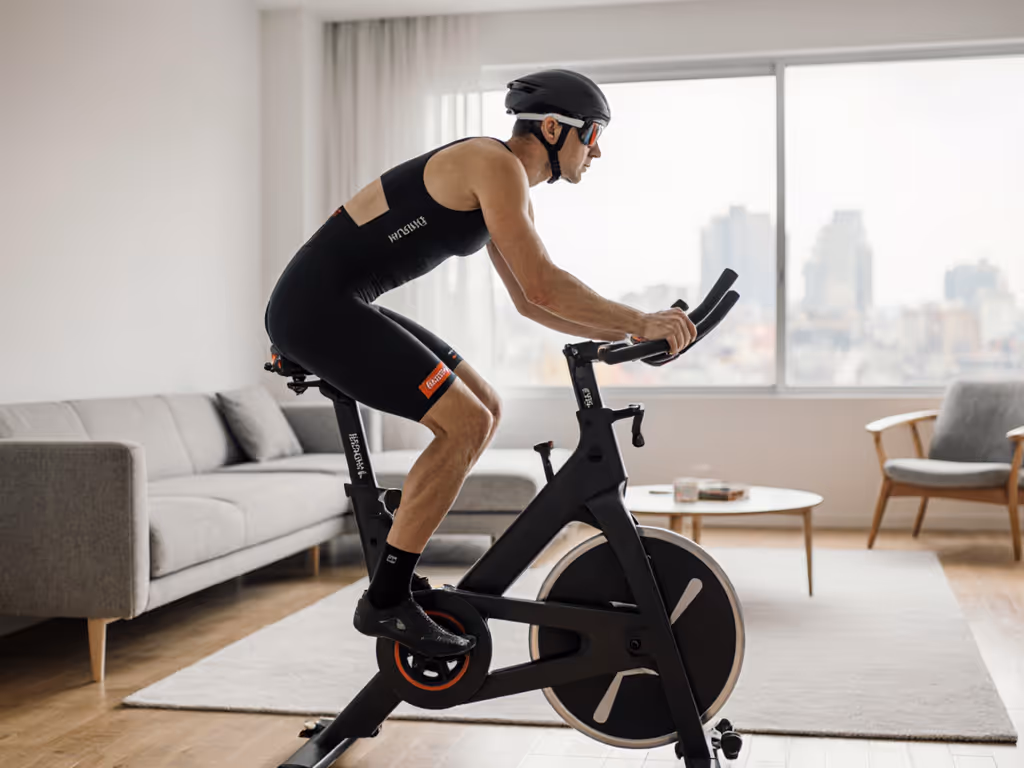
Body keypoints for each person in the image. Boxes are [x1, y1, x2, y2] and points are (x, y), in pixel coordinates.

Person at [263, 69, 696, 658]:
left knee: (486, 408)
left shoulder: (506, 181)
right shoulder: (491, 164)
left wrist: (616, 337)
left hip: (339, 304)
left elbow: (528, 300)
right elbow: (544, 288)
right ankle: (387, 601)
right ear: (552, 128)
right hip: (313, 312)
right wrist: (638, 321)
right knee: (462, 422)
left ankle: (400, 546)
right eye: (592, 134)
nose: (598, 150)